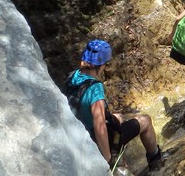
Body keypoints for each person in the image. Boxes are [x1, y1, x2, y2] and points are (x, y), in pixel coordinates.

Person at [65, 39, 163, 171]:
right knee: (145, 120)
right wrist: (107, 159)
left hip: (78, 134)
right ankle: (155, 160)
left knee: (118, 116)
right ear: (102, 65)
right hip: (93, 142)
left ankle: (119, 154)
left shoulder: (72, 77)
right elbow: (99, 126)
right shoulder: (95, 88)